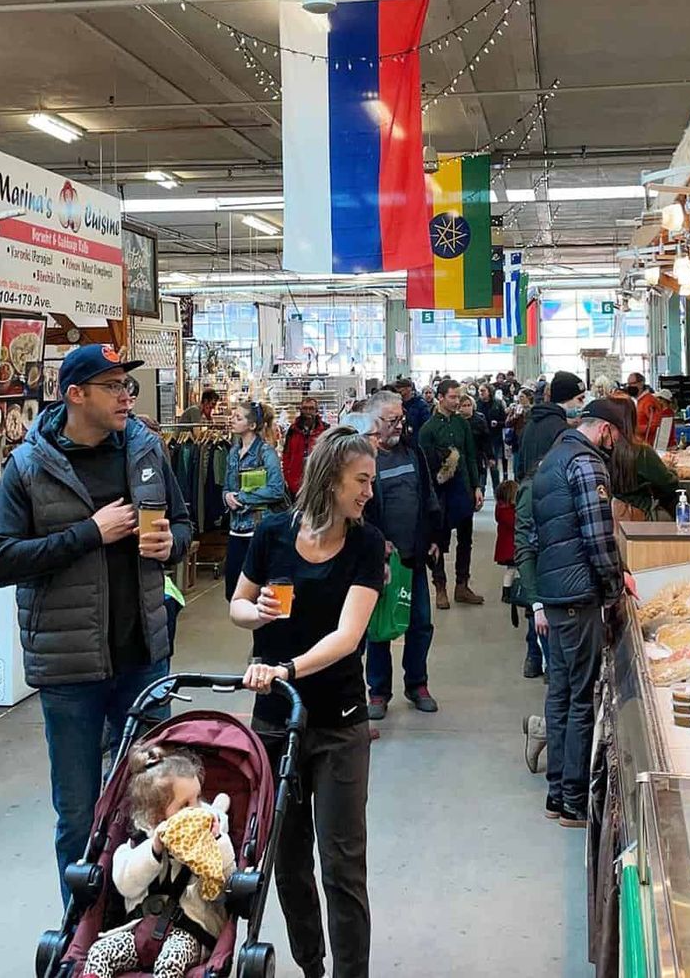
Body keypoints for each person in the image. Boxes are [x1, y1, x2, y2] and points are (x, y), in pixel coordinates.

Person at [0, 344, 193, 899]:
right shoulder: (29, 467)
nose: (126, 396)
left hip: (144, 660)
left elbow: (183, 523)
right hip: (70, 669)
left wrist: (173, 543)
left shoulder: (146, 450)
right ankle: (81, 925)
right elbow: (0, 561)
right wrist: (89, 534)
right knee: (79, 814)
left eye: (128, 385)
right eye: (113, 386)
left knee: (155, 805)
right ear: (75, 395)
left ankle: (146, 923)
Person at [231, 427, 385, 978]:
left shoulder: (366, 544)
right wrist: (257, 613)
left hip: (339, 723)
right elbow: (237, 605)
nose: (368, 492)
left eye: (370, 481)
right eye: (361, 480)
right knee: (288, 862)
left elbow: (348, 637)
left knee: (343, 866)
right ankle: (311, 965)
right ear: (330, 479)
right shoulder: (272, 533)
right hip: (275, 722)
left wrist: (287, 669)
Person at [531, 398, 633, 829]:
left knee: (560, 694)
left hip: (556, 592)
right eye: (616, 437)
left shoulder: (553, 458)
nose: (614, 445)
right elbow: (598, 536)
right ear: (605, 429)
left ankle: (557, 793)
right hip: (579, 596)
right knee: (579, 699)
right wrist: (614, 589)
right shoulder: (588, 464)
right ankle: (573, 801)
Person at [81, 743, 235, 978]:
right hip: (138, 929)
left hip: (190, 931)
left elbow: (224, 883)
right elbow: (126, 885)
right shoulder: (136, 843)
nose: (196, 809)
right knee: (99, 953)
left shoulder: (211, 837)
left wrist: (216, 842)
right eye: (185, 805)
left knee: (170, 962)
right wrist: (154, 848)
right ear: (155, 816)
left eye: (198, 798)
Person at [361, 390, 442, 717]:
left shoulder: (413, 452)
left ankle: (417, 683)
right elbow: (358, 510)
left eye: (401, 419)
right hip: (378, 562)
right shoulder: (364, 459)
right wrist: (375, 543)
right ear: (373, 421)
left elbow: (428, 496)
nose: (399, 426)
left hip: (414, 557)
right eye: (392, 420)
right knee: (379, 628)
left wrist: (434, 536)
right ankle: (378, 692)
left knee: (420, 623)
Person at [419, 378, 484, 609]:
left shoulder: (462, 424)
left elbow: (471, 456)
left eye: (459, 397)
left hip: (462, 489)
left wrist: (476, 486)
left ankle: (462, 585)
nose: (457, 402)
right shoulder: (427, 429)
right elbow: (424, 467)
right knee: (438, 539)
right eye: (453, 397)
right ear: (440, 397)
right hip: (439, 492)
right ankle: (440, 587)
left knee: (466, 539)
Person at [222, 401, 285, 601]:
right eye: (233, 416)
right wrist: (227, 497)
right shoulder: (233, 452)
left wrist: (241, 498)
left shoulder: (266, 452)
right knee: (233, 590)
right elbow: (227, 486)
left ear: (251, 425)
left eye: (238, 417)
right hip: (236, 528)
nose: (232, 420)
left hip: (258, 527)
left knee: (259, 590)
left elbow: (276, 489)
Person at [607, 394, 678, 520]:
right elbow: (669, 483)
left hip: (611, 516)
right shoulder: (641, 452)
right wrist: (671, 470)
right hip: (641, 515)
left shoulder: (602, 449)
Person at [516, 370, 586, 482]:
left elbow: (520, 466)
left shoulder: (530, 424)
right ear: (565, 398)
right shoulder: (563, 430)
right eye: (580, 399)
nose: (582, 405)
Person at [282, 396, 328, 498]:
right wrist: (288, 478)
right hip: (295, 484)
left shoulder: (325, 430)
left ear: (316, 411)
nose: (308, 412)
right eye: (305, 408)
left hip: (318, 483)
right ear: (300, 410)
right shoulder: (292, 430)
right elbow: (286, 455)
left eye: (311, 408)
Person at [460, 392, 492, 495]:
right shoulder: (456, 421)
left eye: (469, 405)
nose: (467, 408)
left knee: (479, 484)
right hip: (462, 458)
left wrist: (490, 456)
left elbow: (486, 440)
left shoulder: (479, 421)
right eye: (464, 405)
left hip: (477, 457)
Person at [628, 374, 674, 446]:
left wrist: (635, 428)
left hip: (648, 446)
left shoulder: (649, 401)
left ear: (641, 383)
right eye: (628, 384)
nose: (629, 386)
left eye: (632, 383)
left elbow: (655, 426)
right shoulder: (640, 401)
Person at [477, 382, 508, 487]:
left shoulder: (498, 404)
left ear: (489, 391)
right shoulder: (477, 404)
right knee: (482, 466)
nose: (481, 393)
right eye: (479, 391)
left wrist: (497, 423)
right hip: (481, 438)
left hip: (495, 437)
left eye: (483, 390)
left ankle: (496, 488)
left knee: (493, 465)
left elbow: (505, 421)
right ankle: (481, 489)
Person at [393, 376, 432, 443]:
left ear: (408, 388)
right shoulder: (398, 404)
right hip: (400, 442)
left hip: (416, 442)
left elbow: (427, 426)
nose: (398, 390)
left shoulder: (421, 405)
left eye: (401, 388)